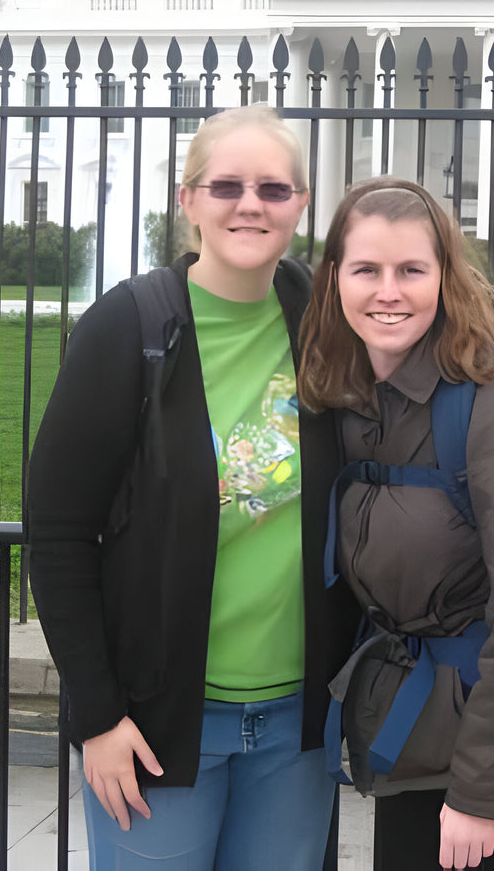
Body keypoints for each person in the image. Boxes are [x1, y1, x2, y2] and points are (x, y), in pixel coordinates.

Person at [26, 106, 359, 869]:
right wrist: (98, 718)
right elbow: (58, 534)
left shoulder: (325, 321)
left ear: (301, 203)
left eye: (274, 189)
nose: (251, 204)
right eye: (227, 185)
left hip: (298, 722)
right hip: (155, 719)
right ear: (188, 201)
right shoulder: (129, 325)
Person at [298, 176, 494, 871]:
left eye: (411, 270)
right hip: (413, 738)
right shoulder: (355, 401)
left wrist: (480, 792)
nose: (387, 292)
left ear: (444, 278)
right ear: (335, 278)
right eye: (366, 269)